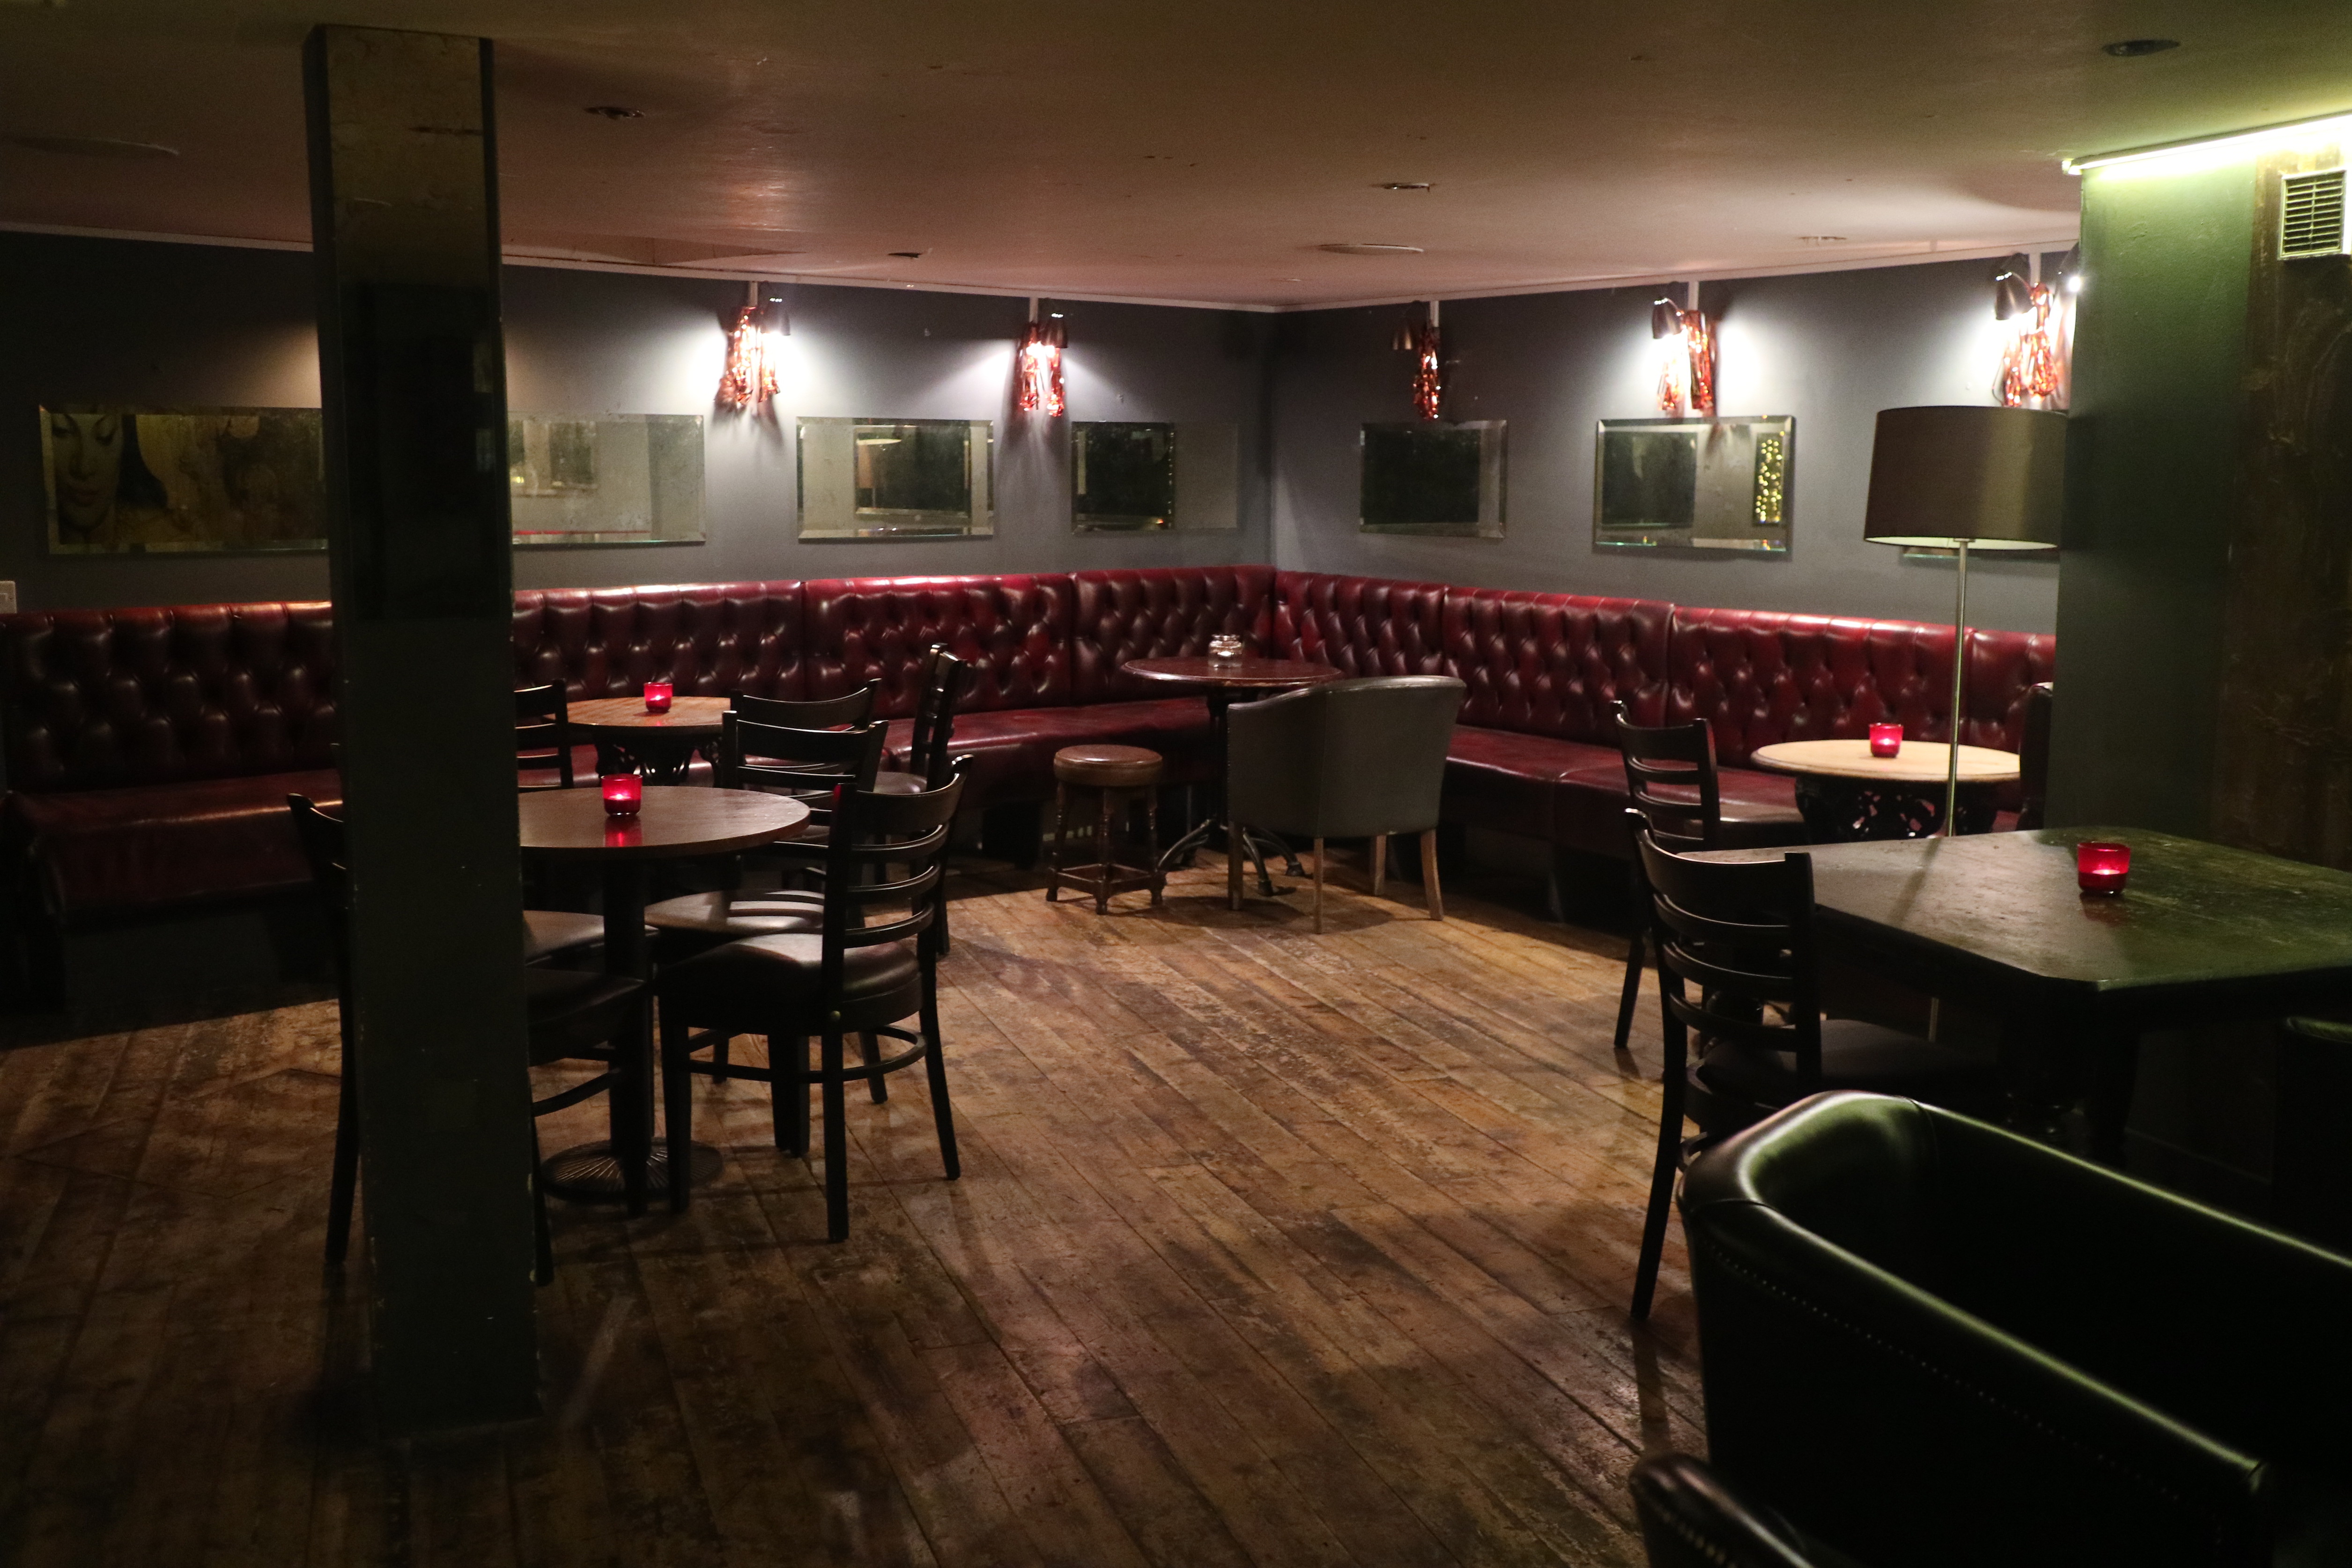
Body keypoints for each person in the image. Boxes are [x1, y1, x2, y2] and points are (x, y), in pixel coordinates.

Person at [44, 408, 184, 551]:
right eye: (62, 431)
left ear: (126, 443)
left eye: (106, 437)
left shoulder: (167, 538)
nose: (83, 468)